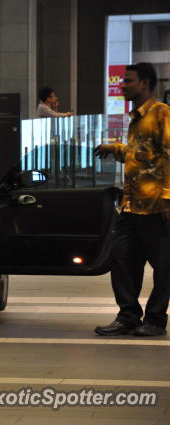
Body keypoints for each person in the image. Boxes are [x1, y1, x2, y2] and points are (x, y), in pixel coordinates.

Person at [94, 62, 170, 337]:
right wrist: (113, 148)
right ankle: (128, 316)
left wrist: (167, 198)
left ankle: (155, 320)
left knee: (162, 268)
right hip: (131, 205)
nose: (123, 85)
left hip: (155, 207)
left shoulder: (161, 113)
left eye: (128, 81)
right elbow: (142, 154)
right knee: (122, 259)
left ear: (145, 83)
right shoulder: (136, 117)